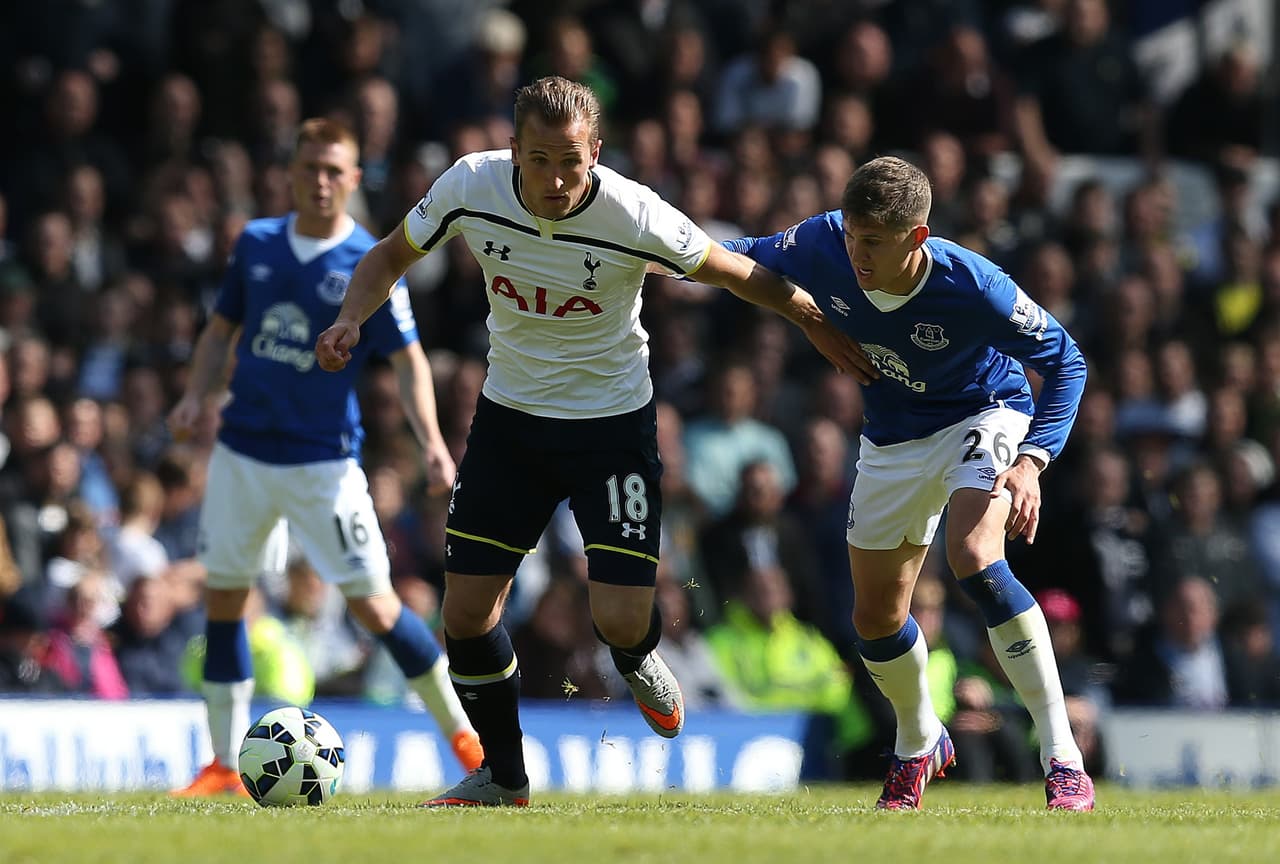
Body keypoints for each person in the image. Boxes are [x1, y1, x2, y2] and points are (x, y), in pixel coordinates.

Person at [315, 75, 871, 808]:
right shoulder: (467, 187)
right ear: (513, 150)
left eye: (570, 161)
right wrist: (353, 319)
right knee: (464, 615)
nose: (554, 178)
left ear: (596, 153)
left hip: (612, 428)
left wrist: (809, 314)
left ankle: (638, 656)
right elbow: (387, 256)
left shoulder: (632, 211)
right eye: (539, 159)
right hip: (510, 421)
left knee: (615, 620)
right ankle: (503, 777)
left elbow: (730, 270)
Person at [723, 155, 1095, 811]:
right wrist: (805, 317)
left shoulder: (973, 284)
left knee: (974, 556)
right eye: (853, 236)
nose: (857, 252)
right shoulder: (823, 240)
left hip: (985, 411)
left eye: (873, 241)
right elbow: (740, 260)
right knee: (873, 617)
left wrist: (1032, 460)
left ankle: (1063, 757)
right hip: (893, 435)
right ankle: (921, 740)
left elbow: (1066, 359)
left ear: (916, 237)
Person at [167, 118, 482, 798]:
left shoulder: (368, 259)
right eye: (309, 167)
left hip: (323, 465)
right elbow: (221, 331)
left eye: (334, 170)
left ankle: (465, 737)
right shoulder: (254, 245)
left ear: (353, 177)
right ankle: (223, 763)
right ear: (290, 172)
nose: (320, 181)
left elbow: (408, 361)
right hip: (242, 453)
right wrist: (197, 395)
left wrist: (430, 439)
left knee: (376, 607)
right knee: (225, 599)